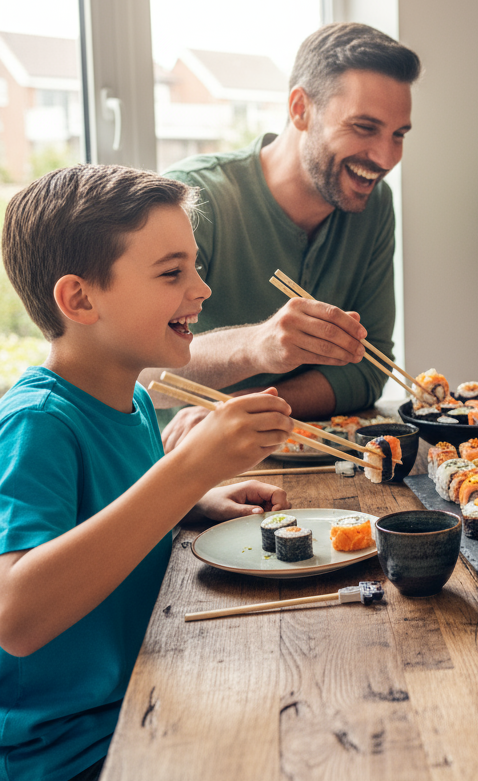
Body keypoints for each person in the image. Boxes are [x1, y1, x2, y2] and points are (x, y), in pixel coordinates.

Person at [0, 165, 294, 781]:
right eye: (171, 273)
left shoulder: (130, 398)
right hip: (71, 751)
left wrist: (196, 499)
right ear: (80, 299)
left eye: (195, 267)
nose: (201, 290)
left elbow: (103, 514)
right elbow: (16, 617)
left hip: (145, 696)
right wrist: (186, 471)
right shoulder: (38, 422)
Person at [145, 22, 421, 451]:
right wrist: (253, 346)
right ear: (300, 109)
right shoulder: (194, 199)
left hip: (312, 453)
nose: (386, 157)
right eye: (364, 127)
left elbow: (369, 369)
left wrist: (242, 409)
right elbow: (133, 369)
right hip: (183, 461)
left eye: (398, 135)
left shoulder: (373, 204)